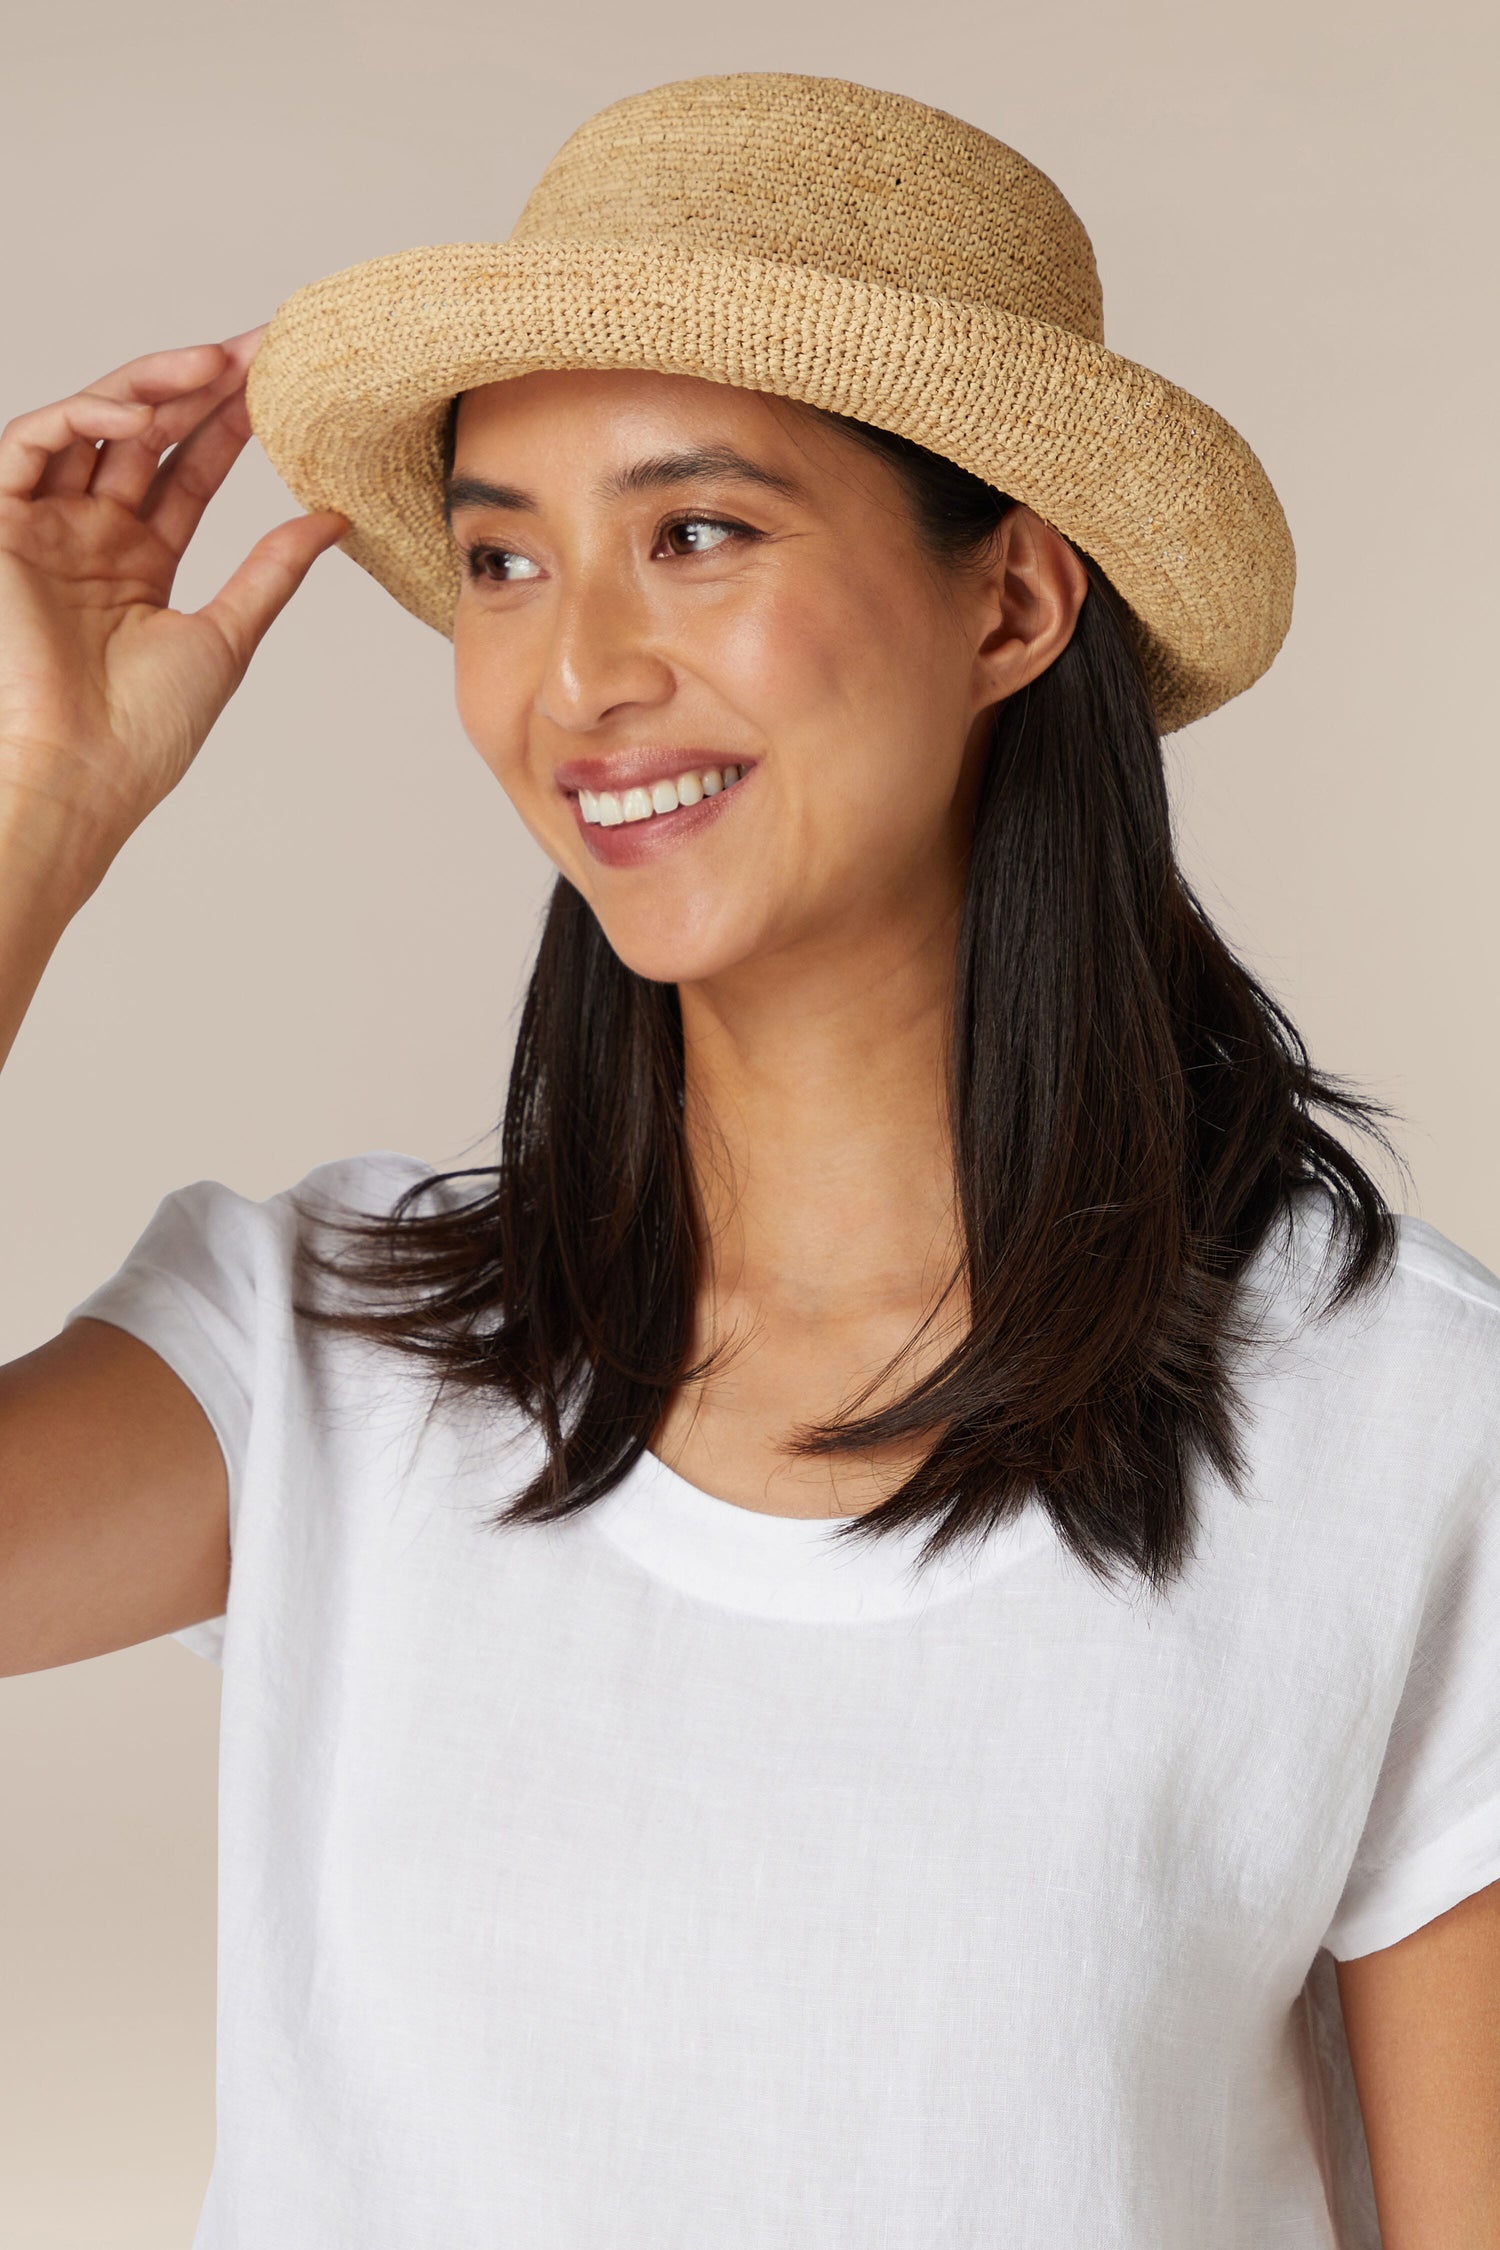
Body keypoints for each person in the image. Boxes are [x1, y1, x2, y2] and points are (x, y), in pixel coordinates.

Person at [1, 67, 1496, 2250]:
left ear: (1011, 607)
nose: (579, 670)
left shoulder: (1406, 1426)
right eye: (505, 556)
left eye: (697, 532)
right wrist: (28, 822)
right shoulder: (315, 1358)